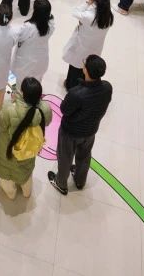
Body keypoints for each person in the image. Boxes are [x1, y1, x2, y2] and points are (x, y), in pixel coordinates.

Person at [48, 54, 112, 196]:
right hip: (91, 131)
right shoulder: (107, 88)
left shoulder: (76, 93)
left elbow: (64, 109)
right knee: (84, 156)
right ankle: (80, 180)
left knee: (65, 157)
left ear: (86, 70)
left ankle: (61, 183)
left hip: (70, 132)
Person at [0, 76, 50, 199]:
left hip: (8, 151)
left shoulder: (10, 108)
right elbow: (48, 121)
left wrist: (13, 101)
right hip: (28, 151)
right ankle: (26, 192)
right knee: (26, 173)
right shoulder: (45, 109)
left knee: (7, 178)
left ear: (22, 93)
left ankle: (11, 194)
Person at [61, 0, 114, 90]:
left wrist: (86, 3)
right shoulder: (109, 16)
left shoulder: (88, 16)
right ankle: (83, 85)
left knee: (75, 67)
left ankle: (70, 85)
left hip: (81, 46)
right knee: (87, 67)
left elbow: (75, 11)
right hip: (96, 47)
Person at [10, 0, 53, 83]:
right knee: (36, 79)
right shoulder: (51, 25)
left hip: (25, 62)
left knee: (16, 81)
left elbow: (14, 35)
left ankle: (12, 90)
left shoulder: (28, 27)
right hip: (41, 59)